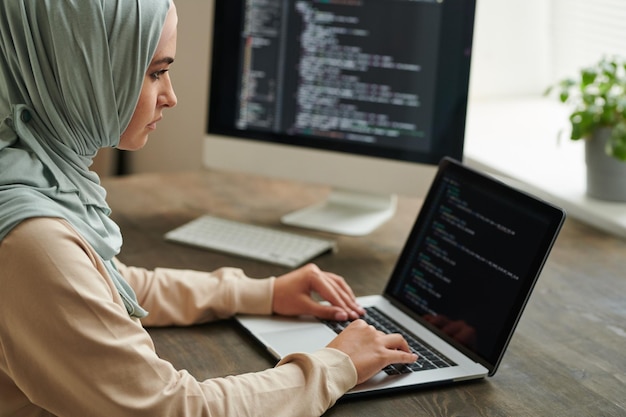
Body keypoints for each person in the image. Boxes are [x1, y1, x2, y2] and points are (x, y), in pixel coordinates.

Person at [0, 1, 417, 416]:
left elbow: (106, 286)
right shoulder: (31, 236)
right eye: (155, 72)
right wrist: (335, 366)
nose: (171, 97)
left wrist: (261, 292)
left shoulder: (28, 170)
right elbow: (169, 408)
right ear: (79, 72)